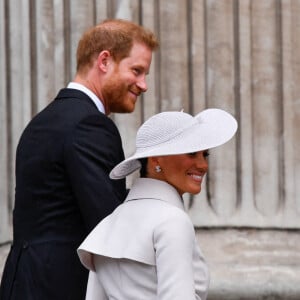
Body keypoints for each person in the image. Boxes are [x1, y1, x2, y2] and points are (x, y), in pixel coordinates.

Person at [0, 19, 159, 300]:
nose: (143, 85)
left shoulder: (42, 121)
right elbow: (109, 226)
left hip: (22, 284)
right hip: (63, 288)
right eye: (136, 71)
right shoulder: (89, 124)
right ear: (105, 60)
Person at [77, 108, 238, 300]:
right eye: (192, 153)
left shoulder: (109, 224)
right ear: (156, 159)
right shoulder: (172, 221)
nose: (203, 165)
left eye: (205, 154)